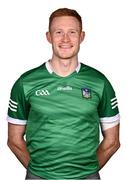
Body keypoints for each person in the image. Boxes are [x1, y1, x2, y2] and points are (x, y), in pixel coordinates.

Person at [7, 8, 120, 180]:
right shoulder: (25, 83)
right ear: (48, 36)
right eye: (58, 32)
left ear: (82, 36)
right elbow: (14, 140)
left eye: (72, 32)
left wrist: (86, 172)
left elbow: (112, 142)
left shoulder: (100, 82)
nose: (65, 39)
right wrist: (39, 172)